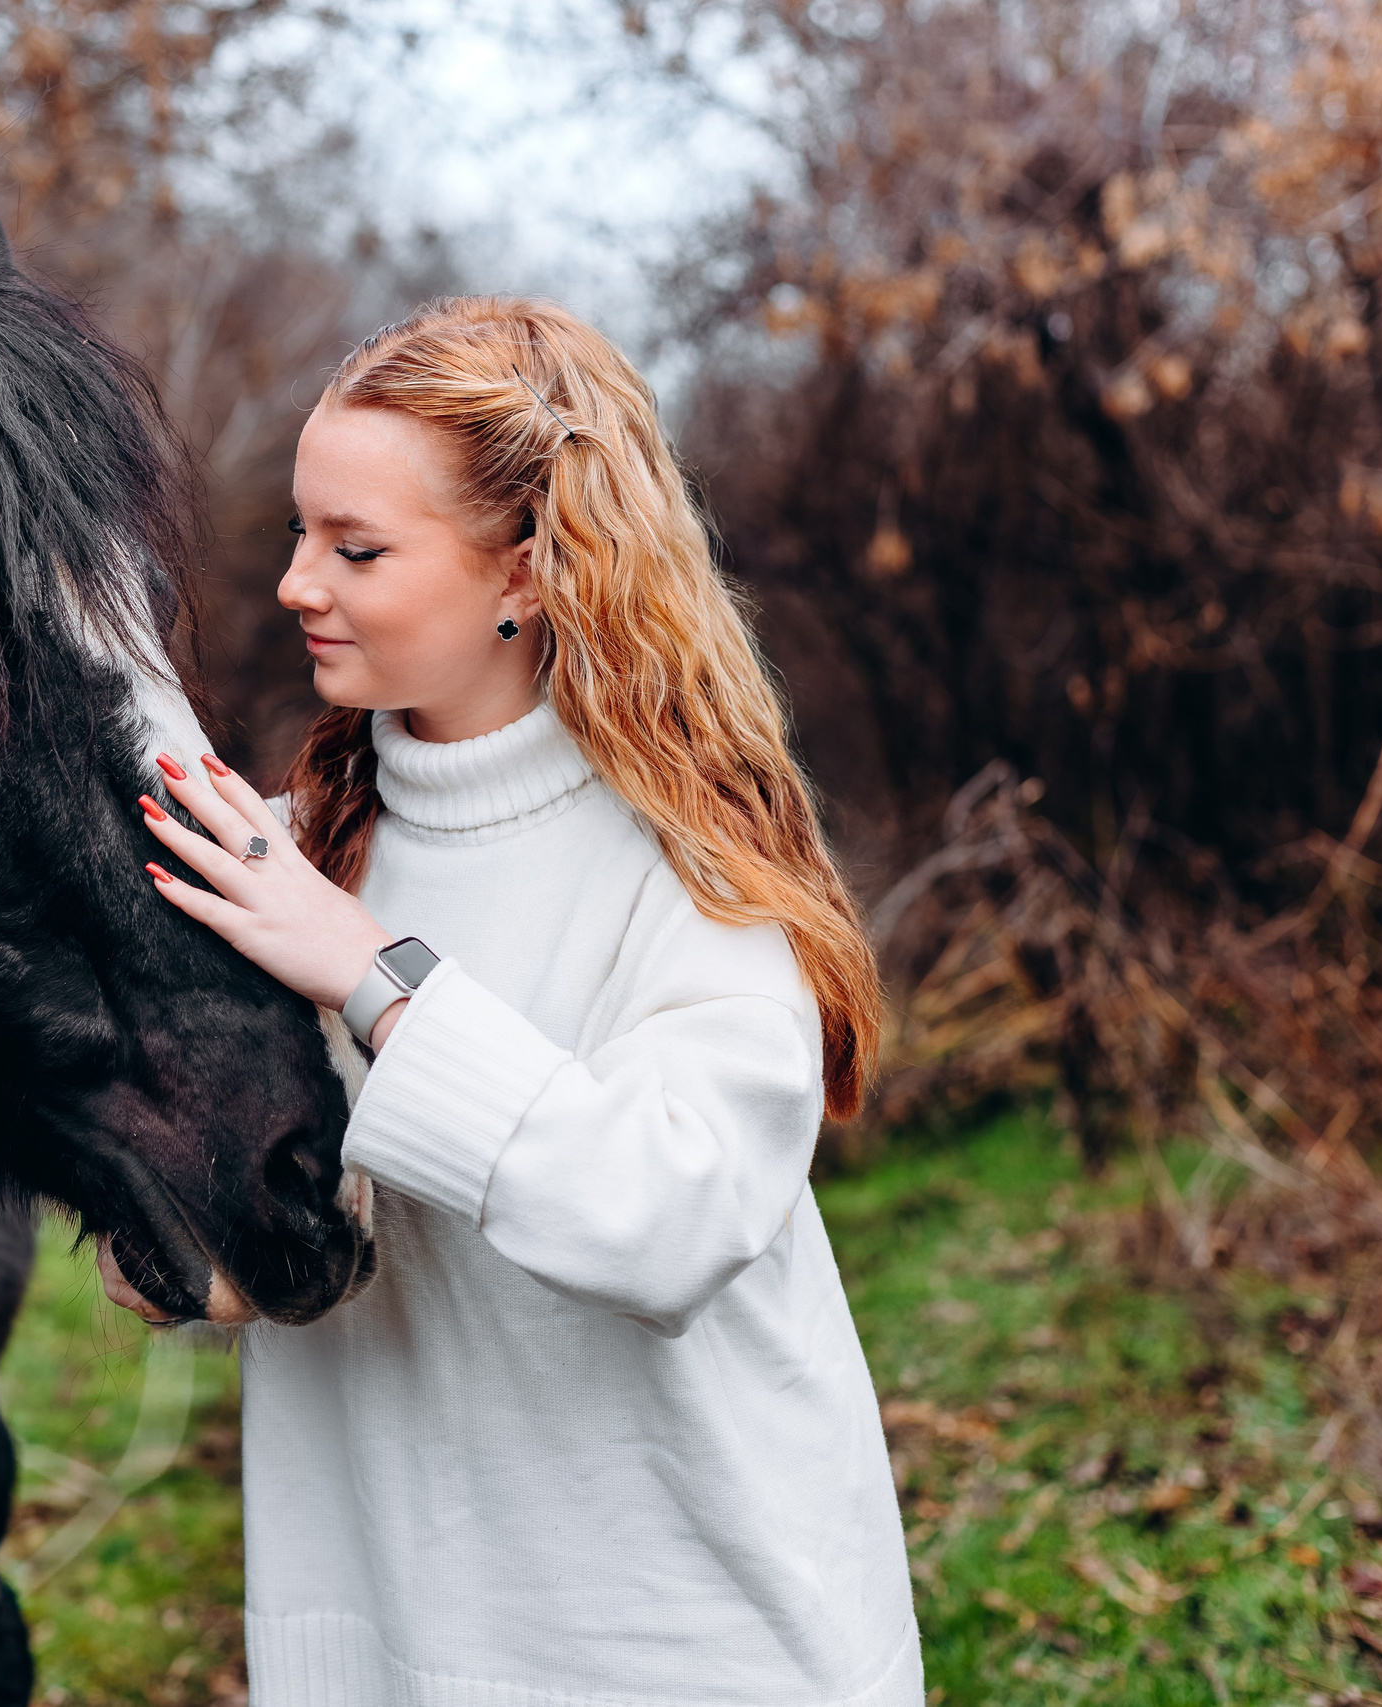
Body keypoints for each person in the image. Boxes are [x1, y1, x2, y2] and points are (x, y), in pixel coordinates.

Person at [117, 297, 922, 1707]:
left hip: (684, 1651)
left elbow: (670, 1216)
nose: (300, 583)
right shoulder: (290, 860)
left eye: (357, 548)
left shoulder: (693, 868)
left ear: (530, 572)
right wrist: (170, 1227)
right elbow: (224, 1241)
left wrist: (369, 981)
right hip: (380, 1645)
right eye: (303, 534)